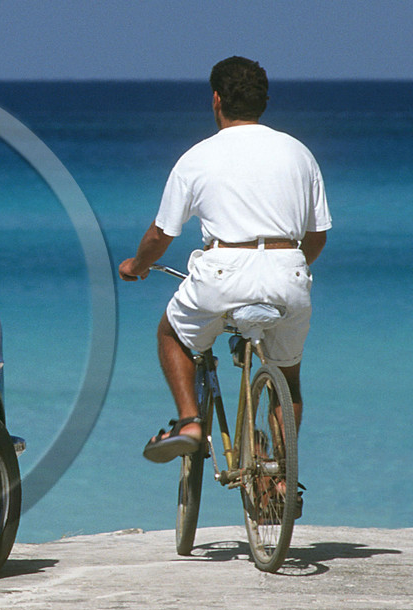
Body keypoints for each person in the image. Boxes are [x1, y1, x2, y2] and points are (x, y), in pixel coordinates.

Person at [118, 56, 331, 463]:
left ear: (216, 99)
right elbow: (317, 236)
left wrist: (137, 265)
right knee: (288, 376)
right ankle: (283, 476)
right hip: (288, 269)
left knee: (172, 334)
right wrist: (287, 270)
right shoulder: (299, 154)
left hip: (223, 272)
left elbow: (161, 235)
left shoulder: (197, 158)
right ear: (263, 101)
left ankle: (190, 423)